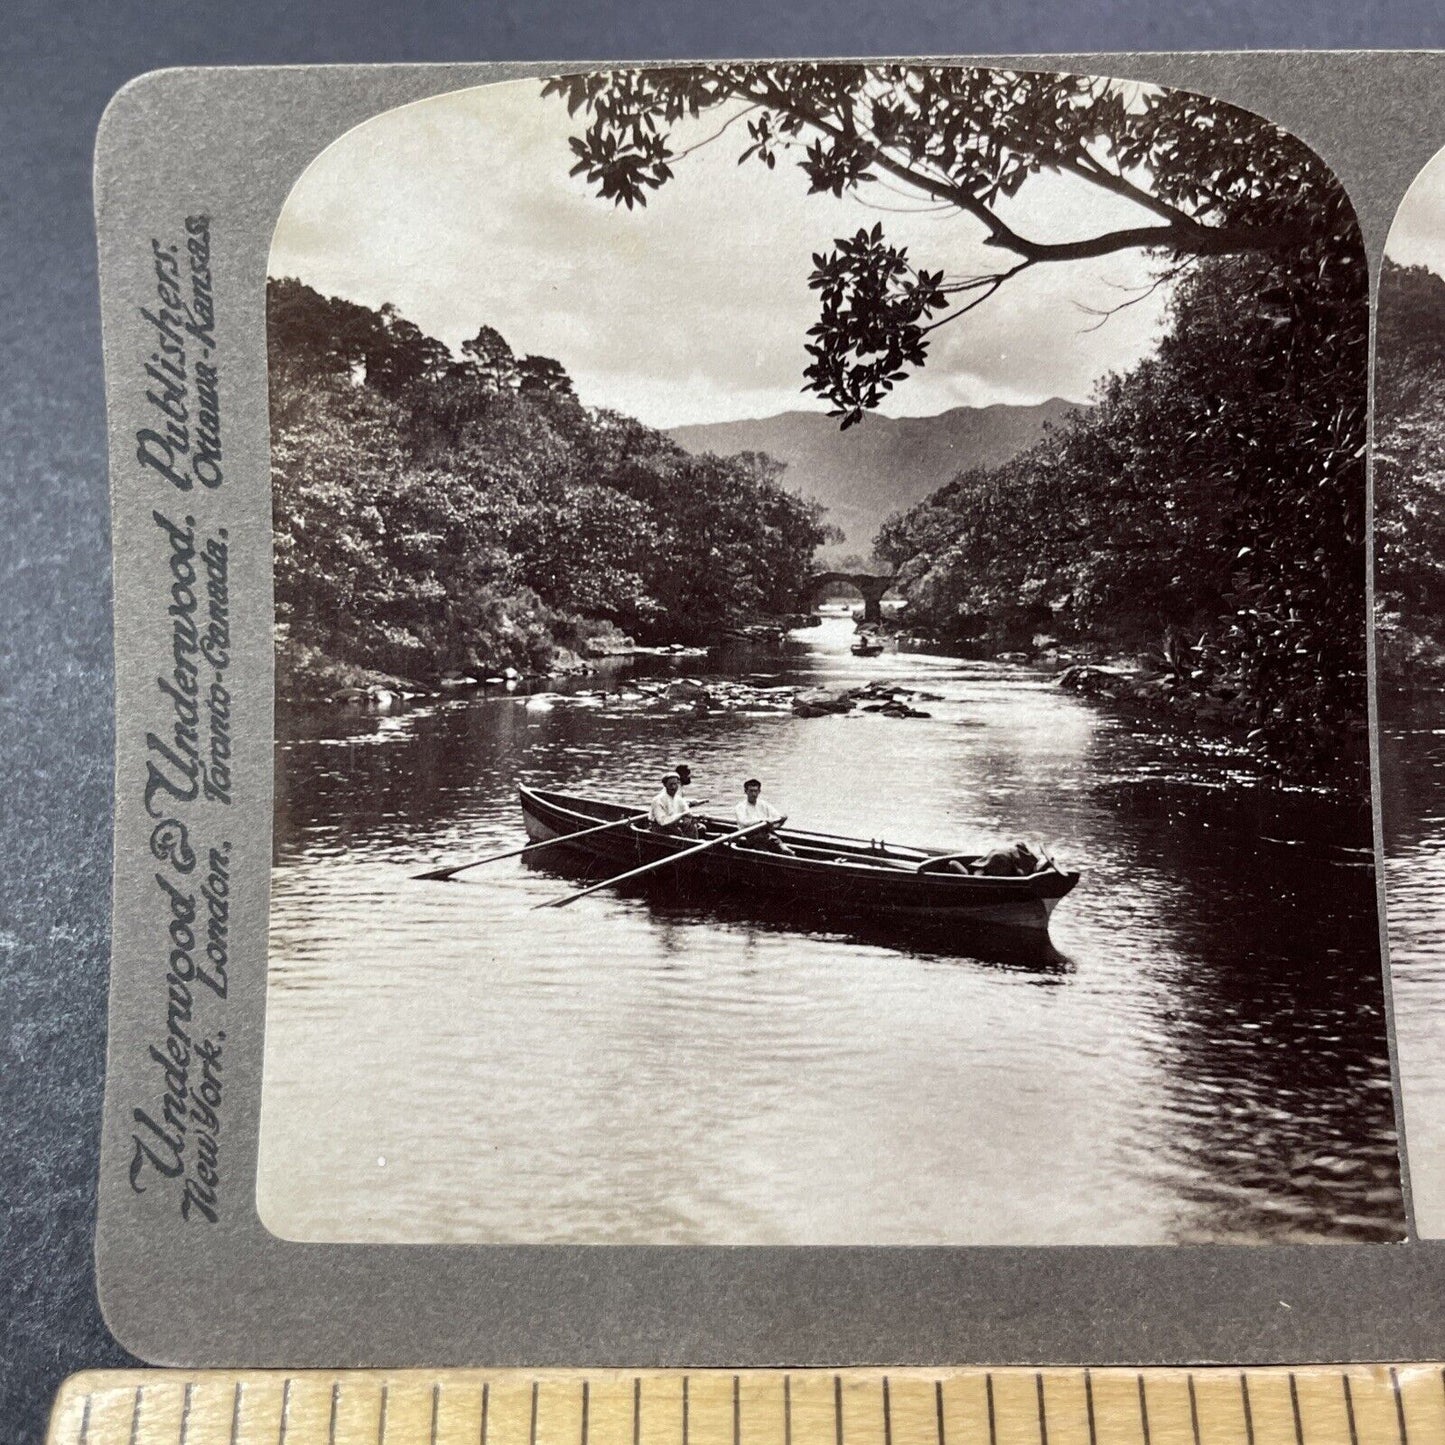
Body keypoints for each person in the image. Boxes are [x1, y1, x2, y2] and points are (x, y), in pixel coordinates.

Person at [734, 778, 794, 854]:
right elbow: (744, 822)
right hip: (749, 837)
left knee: (787, 851)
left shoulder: (764, 804)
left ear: (759, 792)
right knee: (767, 854)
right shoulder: (740, 807)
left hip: (766, 835)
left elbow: (776, 816)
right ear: (746, 792)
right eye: (751, 791)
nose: (753, 794)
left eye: (755, 791)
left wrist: (782, 819)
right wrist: (761, 821)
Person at [649, 772, 699, 838]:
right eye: (670, 784)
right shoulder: (657, 800)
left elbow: (687, 813)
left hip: (673, 824)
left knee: (699, 827)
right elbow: (662, 821)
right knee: (678, 833)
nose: (673, 787)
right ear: (665, 785)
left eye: (675, 784)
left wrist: (691, 818)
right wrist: (682, 815)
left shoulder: (679, 799)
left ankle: (694, 842)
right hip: (659, 827)